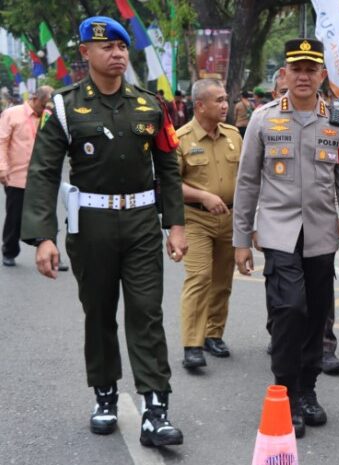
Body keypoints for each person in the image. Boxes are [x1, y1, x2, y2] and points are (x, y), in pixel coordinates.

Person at [20, 16, 187, 447]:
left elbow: (169, 167)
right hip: (90, 225)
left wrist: (177, 225)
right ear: (85, 53)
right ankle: (106, 393)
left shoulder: (151, 105)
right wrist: (44, 236)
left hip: (141, 224)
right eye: (106, 47)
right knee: (99, 313)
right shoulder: (63, 105)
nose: (116, 54)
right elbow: (42, 172)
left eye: (121, 47)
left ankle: (155, 408)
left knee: (147, 312)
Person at [233, 38, 339, 439]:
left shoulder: (337, 120)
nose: (303, 76)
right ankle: (285, 393)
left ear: (322, 75)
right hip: (279, 232)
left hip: (322, 235)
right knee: (290, 309)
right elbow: (248, 181)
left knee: (316, 313)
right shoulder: (263, 118)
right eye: (297, 69)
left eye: (312, 69)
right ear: (285, 74)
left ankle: (308, 391)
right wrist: (241, 239)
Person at [177, 79, 242, 369]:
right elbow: (168, 185)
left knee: (222, 281)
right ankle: (192, 343)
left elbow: (246, 178)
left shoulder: (233, 136)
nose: (225, 105)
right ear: (200, 105)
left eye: (226, 99)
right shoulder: (180, 139)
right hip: (196, 219)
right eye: (218, 100)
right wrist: (202, 196)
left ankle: (213, 334)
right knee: (200, 277)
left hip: (229, 218)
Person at [0, 86, 55, 267]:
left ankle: (52, 253)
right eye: (43, 105)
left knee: (47, 216)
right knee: (15, 217)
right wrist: (2, 168)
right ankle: (9, 251)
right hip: (17, 176)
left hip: (43, 176)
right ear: (34, 98)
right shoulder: (12, 114)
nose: (45, 109)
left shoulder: (48, 116)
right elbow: (2, 141)